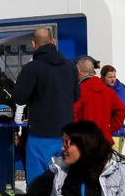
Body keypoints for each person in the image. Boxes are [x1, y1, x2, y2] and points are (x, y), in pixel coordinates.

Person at [13, 28, 81, 182]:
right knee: (62, 181)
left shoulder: (32, 68)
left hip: (39, 134)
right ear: (53, 42)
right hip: (65, 136)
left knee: (38, 182)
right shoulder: (70, 66)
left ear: (33, 44)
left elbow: (19, 98)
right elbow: (76, 96)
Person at [73, 55, 125, 144]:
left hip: (85, 142)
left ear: (78, 72)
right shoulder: (108, 92)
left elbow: (71, 115)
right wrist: (108, 130)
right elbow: (122, 110)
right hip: (104, 141)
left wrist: (78, 132)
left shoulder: (80, 91)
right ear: (94, 73)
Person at [100, 64, 125, 153]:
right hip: (100, 132)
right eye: (110, 77)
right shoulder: (98, 87)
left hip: (116, 132)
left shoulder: (120, 89)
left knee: (114, 162)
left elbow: (119, 108)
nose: (113, 79)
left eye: (114, 76)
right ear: (103, 77)